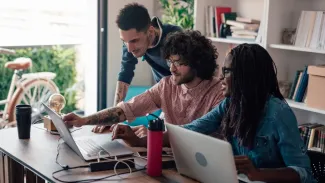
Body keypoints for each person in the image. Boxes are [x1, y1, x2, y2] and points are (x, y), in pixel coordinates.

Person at [111, 44, 316, 183]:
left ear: (245, 76)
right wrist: (140, 140)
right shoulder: (230, 104)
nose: (220, 76)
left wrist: (257, 173)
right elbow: (189, 132)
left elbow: (303, 173)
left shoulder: (279, 113)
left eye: (227, 71)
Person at [64, 30, 224, 137]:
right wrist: (83, 120)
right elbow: (128, 109)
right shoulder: (166, 85)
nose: (171, 68)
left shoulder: (219, 92)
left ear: (197, 62)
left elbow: (199, 135)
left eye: (178, 62)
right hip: (170, 160)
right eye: (170, 61)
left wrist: (154, 134)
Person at [92, 3, 182, 133]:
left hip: (187, 101)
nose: (129, 48)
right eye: (125, 41)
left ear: (150, 31)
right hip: (167, 99)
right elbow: (125, 75)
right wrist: (113, 117)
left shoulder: (175, 37)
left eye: (134, 41)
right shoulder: (130, 42)